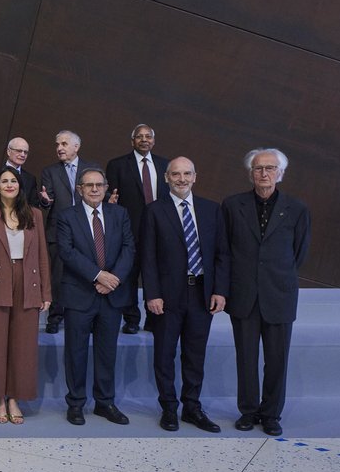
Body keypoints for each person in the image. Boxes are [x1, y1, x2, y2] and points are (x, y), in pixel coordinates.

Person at [222, 148, 310, 437]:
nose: (264, 174)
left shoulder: (297, 209)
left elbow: (299, 252)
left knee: (277, 360)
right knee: (245, 358)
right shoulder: (233, 206)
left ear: (280, 173)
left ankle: (271, 414)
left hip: (279, 295)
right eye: (259, 168)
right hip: (244, 295)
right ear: (250, 173)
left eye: (270, 168)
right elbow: (225, 250)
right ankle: (248, 411)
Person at [140, 157, 230, 433]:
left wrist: (220, 291)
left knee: (195, 355)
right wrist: (151, 294)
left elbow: (222, 254)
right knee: (164, 354)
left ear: (195, 176)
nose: (181, 179)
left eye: (187, 173)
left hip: (201, 294)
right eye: (176, 174)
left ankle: (192, 407)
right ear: (166, 177)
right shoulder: (154, 211)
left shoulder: (211, 210)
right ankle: (169, 407)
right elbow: (148, 257)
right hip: (167, 297)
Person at [0, 167, 51, 425]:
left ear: (20, 186)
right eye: (4, 181)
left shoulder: (35, 215)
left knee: (23, 346)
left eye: (13, 181)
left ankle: (15, 398)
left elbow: (42, 256)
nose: (9, 184)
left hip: (27, 284)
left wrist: (45, 292)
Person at [57, 168, 135, 426]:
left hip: (111, 295)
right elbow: (67, 252)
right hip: (80, 294)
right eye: (88, 185)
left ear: (106, 187)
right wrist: (98, 275)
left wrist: (112, 280)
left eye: (98, 185)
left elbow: (128, 248)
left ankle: (105, 403)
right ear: (79, 189)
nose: (93, 189)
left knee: (106, 352)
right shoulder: (67, 216)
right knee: (76, 352)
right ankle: (76, 403)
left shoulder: (119, 213)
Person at [105, 124, 169, 334]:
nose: (144, 140)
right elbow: (110, 199)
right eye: (139, 137)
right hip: (129, 230)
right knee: (129, 277)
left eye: (148, 136)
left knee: (155, 275)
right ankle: (131, 319)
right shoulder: (117, 165)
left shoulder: (164, 165)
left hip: (158, 231)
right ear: (132, 141)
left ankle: (154, 319)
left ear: (153, 140)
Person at [39, 130, 99, 333]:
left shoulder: (92, 169)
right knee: (57, 275)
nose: (59, 148)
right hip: (58, 231)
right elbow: (46, 200)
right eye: (57, 144)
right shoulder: (50, 171)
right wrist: (45, 201)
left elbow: (100, 194)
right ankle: (55, 317)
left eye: (64, 144)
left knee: (87, 273)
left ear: (76, 147)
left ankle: (88, 317)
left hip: (87, 230)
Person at [0, 137, 38, 209]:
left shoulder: (30, 179)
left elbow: (33, 207)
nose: (23, 155)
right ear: (9, 151)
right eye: (19, 151)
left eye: (25, 152)